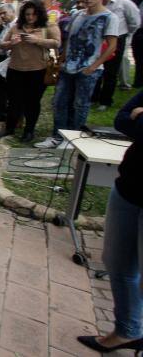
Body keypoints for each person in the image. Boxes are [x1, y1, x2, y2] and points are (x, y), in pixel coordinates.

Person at [76, 90, 143, 354]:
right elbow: (121, 119)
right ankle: (128, 330)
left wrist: (139, 119)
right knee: (118, 263)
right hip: (129, 188)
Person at [37, 0, 121, 149]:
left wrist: (94, 66)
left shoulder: (109, 18)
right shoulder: (77, 15)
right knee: (59, 102)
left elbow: (112, 45)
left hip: (88, 68)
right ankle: (57, 136)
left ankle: (74, 138)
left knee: (80, 104)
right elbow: (70, 40)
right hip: (68, 66)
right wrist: (62, 60)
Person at [0, 0, 61, 142]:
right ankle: (10, 127)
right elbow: (3, 44)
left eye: (34, 14)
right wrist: (11, 43)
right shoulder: (16, 27)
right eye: (27, 14)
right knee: (14, 101)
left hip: (37, 70)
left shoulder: (48, 26)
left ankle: (29, 130)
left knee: (32, 102)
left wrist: (37, 40)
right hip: (15, 69)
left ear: (39, 14)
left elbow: (57, 42)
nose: (30, 17)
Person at [91, 0, 140, 109]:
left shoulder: (125, 4)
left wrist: (124, 34)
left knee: (111, 72)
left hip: (117, 39)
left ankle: (105, 101)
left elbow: (135, 22)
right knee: (97, 68)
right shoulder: (100, 4)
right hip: (101, 40)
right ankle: (94, 97)